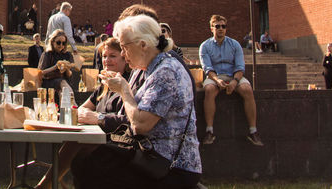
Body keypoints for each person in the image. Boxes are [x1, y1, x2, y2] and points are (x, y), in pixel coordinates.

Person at [70, 13, 202, 189]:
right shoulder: (152, 69)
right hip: (151, 157)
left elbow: (140, 125)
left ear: (143, 45)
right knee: (86, 160)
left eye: (124, 47)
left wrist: (124, 90)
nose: (123, 54)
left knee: (92, 165)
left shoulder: (165, 72)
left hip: (170, 165)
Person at [35, 37, 131, 189]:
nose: (106, 60)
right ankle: (49, 183)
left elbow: (127, 121)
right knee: (75, 143)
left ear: (125, 59)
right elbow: (82, 108)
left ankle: (46, 184)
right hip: (95, 138)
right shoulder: (104, 85)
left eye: (113, 56)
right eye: (104, 56)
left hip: (116, 144)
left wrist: (97, 118)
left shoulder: (128, 85)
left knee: (78, 147)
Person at [199, 14, 263, 146]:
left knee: (247, 89)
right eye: (217, 26)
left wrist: (234, 82)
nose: (221, 29)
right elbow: (207, 69)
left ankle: (253, 131)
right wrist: (217, 81)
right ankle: (209, 131)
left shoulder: (235, 44)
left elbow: (240, 67)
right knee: (209, 90)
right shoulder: (204, 46)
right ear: (211, 28)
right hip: (215, 76)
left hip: (233, 75)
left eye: (223, 26)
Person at [38, 29, 74, 94]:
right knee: (62, 83)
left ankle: (70, 103)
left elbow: (69, 75)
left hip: (64, 82)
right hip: (49, 81)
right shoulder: (47, 54)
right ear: (52, 42)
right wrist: (55, 67)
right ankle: (73, 103)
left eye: (64, 43)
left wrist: (67, 69)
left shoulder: (68, 55)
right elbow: (40, 73)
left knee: (62, 92)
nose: (61, 45)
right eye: (58, 42)